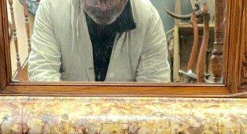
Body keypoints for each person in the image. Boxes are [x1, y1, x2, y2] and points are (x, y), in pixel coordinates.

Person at [28, 0, 170, 83]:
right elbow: (41, 76)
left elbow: (154, 91)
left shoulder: (148, 18)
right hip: (66, 124)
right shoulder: (52, 9)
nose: (102, 7)